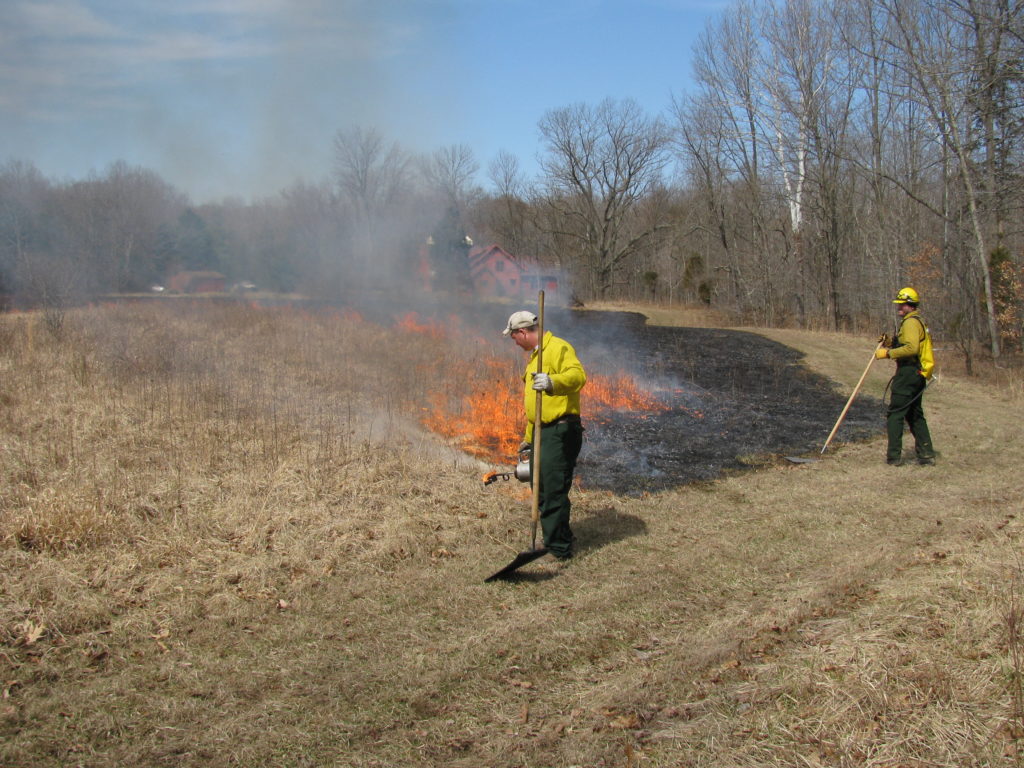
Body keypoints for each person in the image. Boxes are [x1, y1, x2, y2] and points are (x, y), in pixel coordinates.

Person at [503, 310, 586, 561]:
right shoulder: (534, 358)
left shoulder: (558, 348)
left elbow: (578, 377)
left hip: (560, 430)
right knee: (539, 487)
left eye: (514, 337)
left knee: (552, 489)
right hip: (541, 431)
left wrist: (552, 382)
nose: (514, 342)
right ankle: (559, 535)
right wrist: (529, 437)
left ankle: (558, 549)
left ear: (523, 332)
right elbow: (535, 407)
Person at [874, 287, 936, 466]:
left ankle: (893, 457)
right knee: (914, 414)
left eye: (903, 305)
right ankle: (926, 454)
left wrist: (887, 353)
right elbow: (906, 343)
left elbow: (911, 348)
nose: (900, 308)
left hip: (909, 373)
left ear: (911, 305)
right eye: (899, 304)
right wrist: (889, 341)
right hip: (917, 374)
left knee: (895, 414)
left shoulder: (911, 323)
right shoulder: (915, 321)